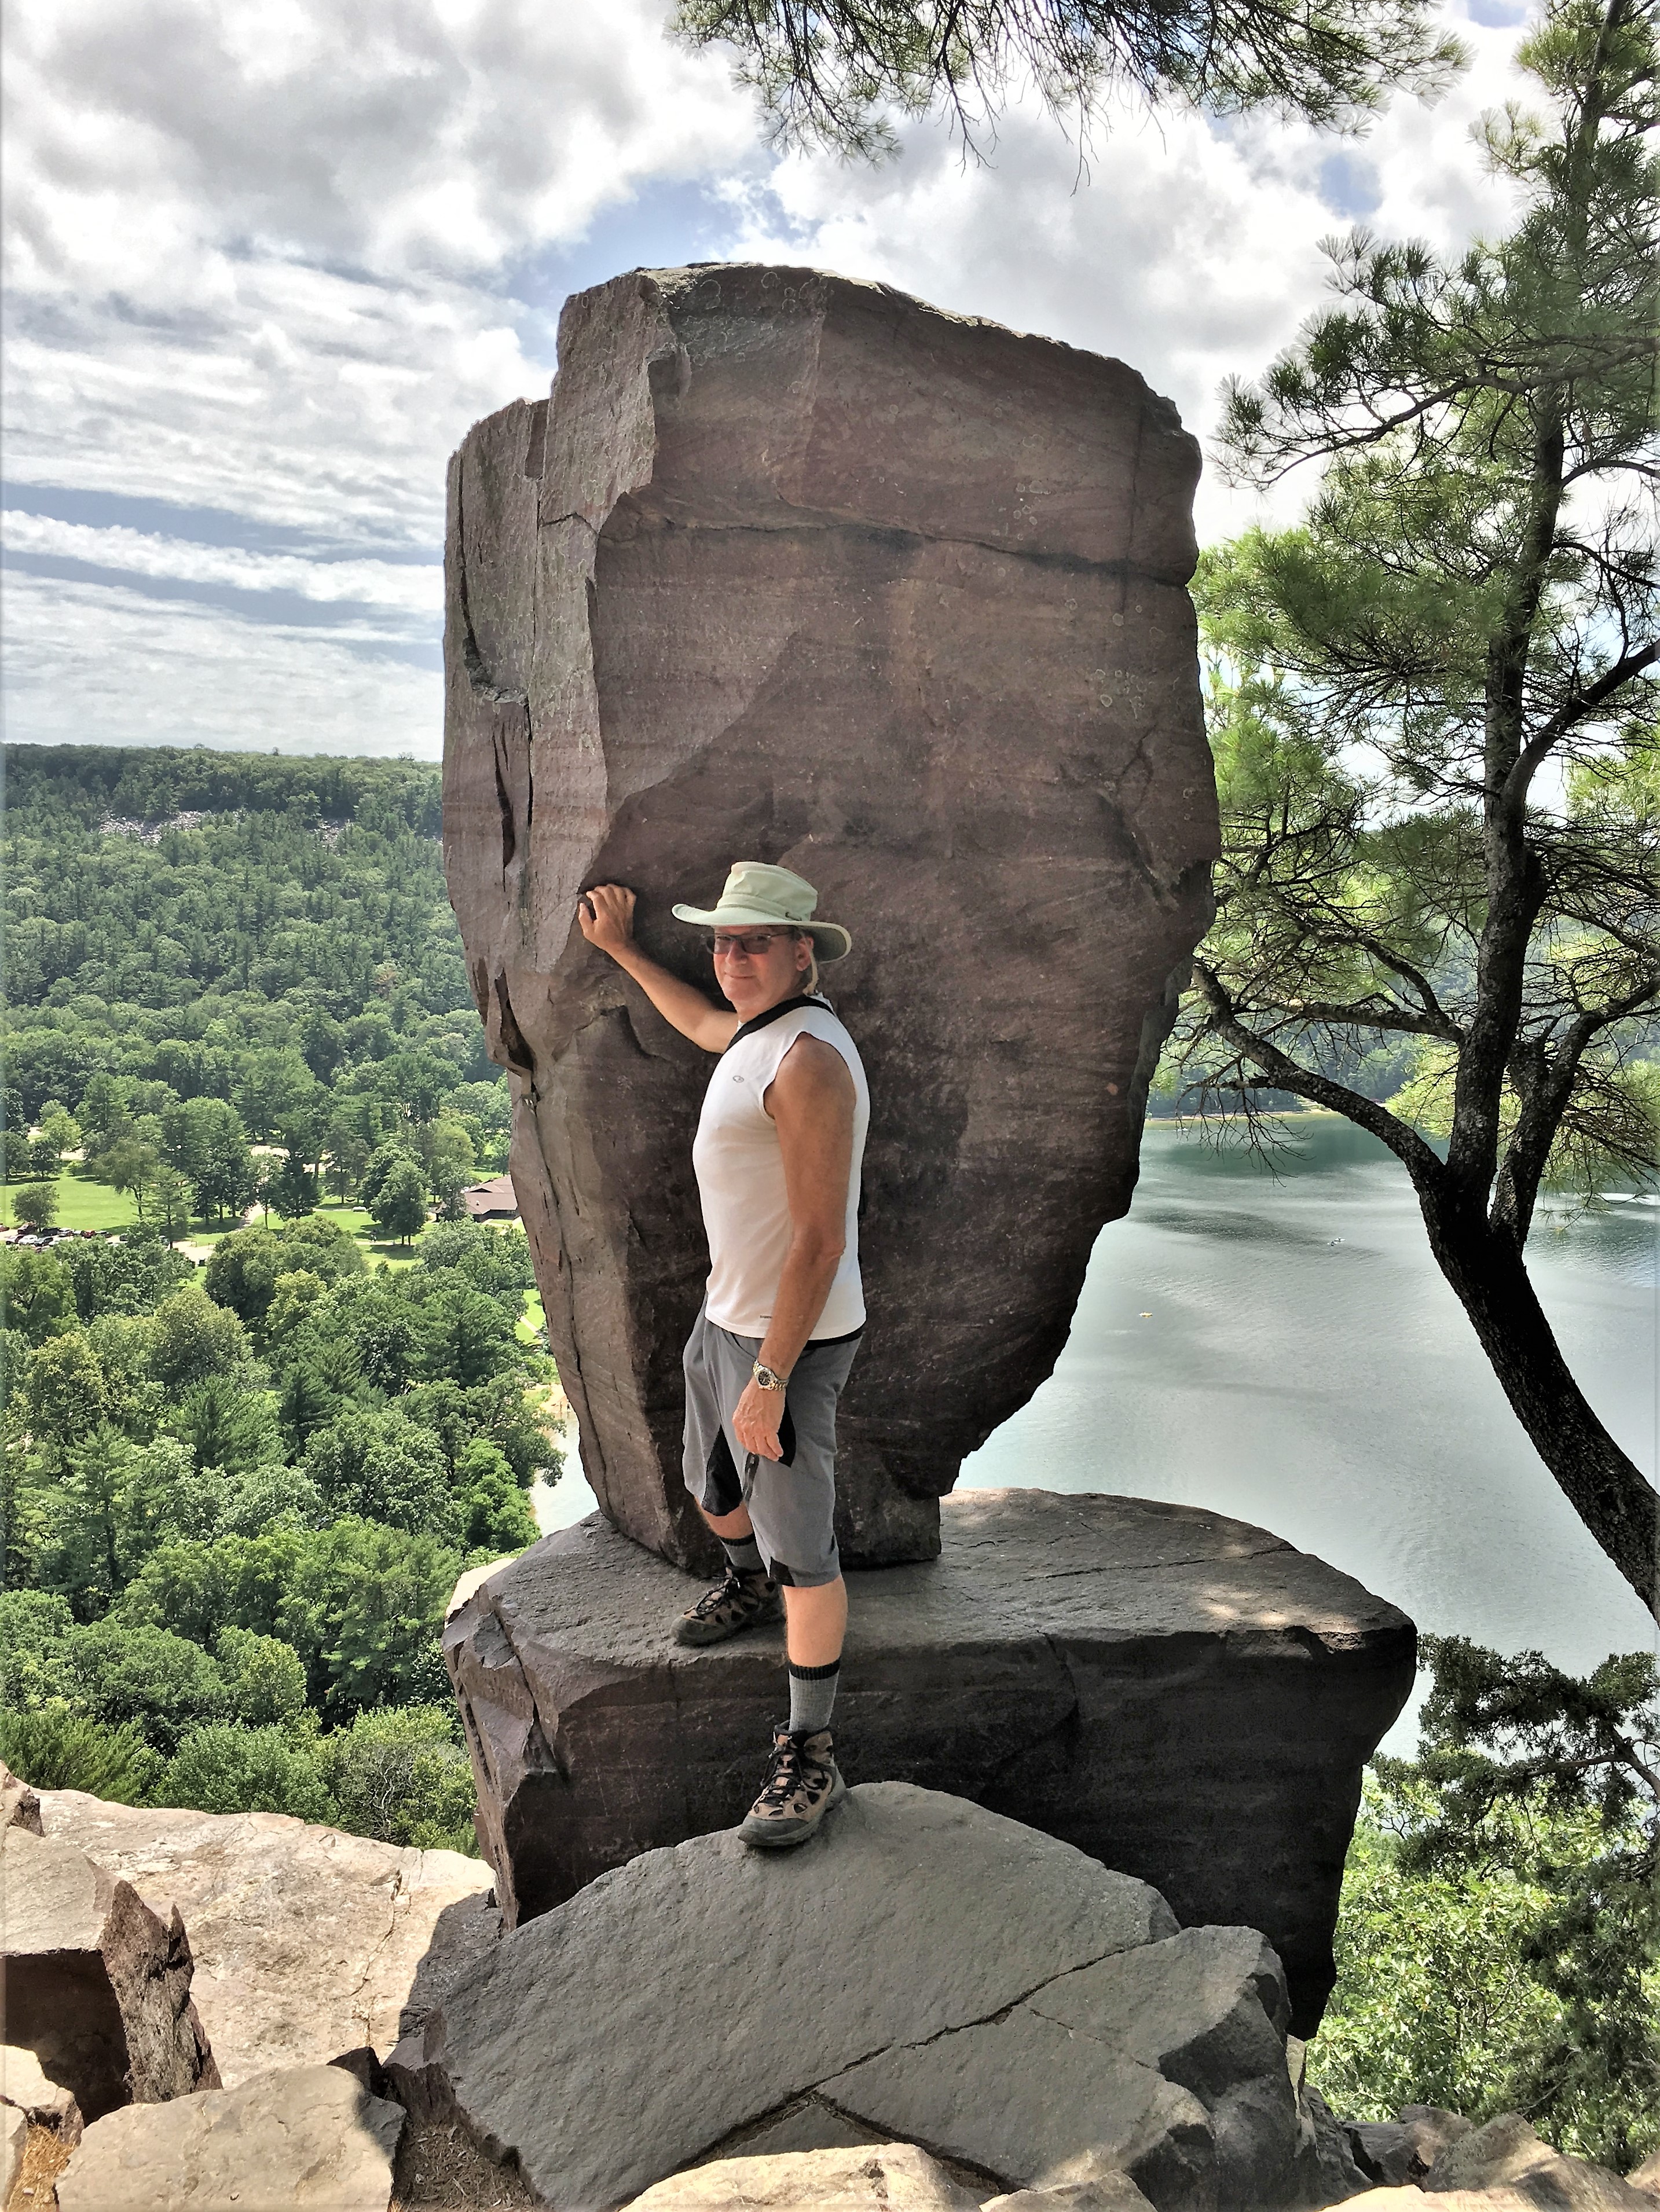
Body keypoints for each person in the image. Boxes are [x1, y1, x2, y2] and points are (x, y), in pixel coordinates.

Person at [577, 861, 868, 1850]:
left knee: (805, 1550)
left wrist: (772, 1381)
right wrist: (620, 948)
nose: (731, 958)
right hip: (725, 1314)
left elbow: (822, 1242)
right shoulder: (755, 1035)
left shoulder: (812, 1062)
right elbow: (702, 1021)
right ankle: (744, 1582)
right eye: (721, 941)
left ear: (802, 951)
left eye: (753, 942)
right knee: (710, 1486)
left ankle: (811, 1752)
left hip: (791, 1337)